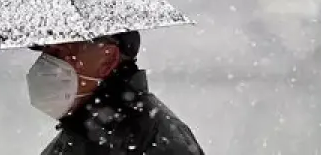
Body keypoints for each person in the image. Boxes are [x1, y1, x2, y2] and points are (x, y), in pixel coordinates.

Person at [26, 31, 204, 154]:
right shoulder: (78, 134)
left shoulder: (156, 139)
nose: (46, 64)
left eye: (60, 52)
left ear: (107, 59)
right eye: (46, 53)